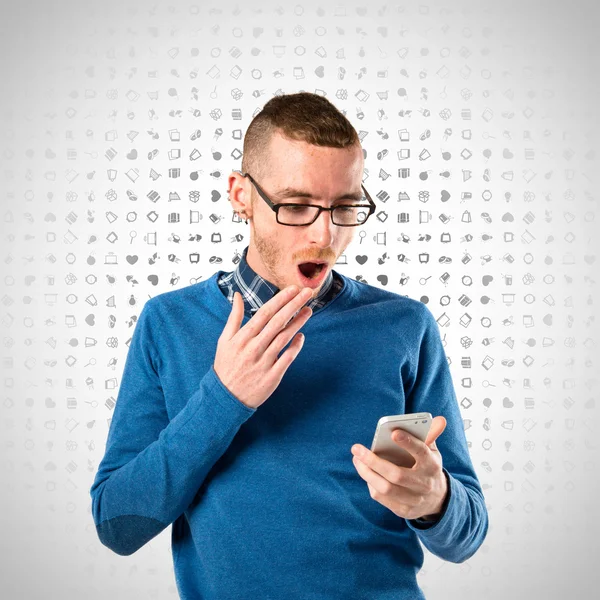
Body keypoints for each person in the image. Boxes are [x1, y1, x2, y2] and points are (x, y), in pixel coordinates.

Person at [90, 92, 488, 599]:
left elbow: (467, 535)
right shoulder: (168, 322)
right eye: (297, 205)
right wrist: (224, 397)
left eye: (345, 207)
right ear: (241, 196)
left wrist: (436, 499)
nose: (325, 234)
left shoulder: (404, 326)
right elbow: (117, 526)